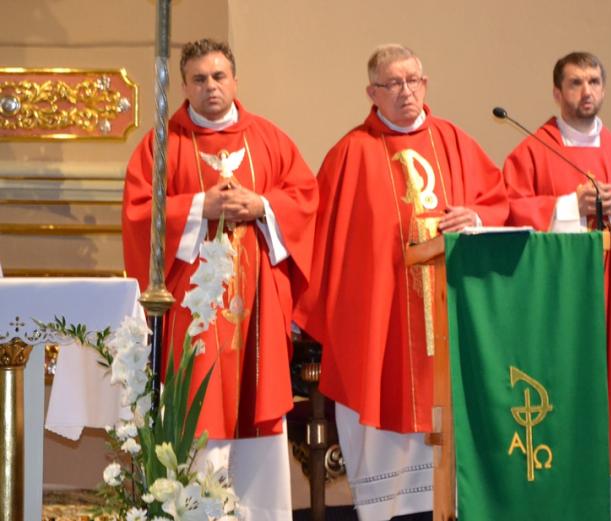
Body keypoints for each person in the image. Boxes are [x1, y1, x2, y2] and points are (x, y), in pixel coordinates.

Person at [294, 44, 509, 520]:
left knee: (449, 479)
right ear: (372, 93)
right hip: (382, 334)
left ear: (425, 84)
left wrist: (476, 216)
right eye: (392, 83)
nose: (406, 92)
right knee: (384, 481)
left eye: (413, 81)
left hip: (447, 326)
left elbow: (498, 200)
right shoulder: (350, 154)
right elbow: (318, 239)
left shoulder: (455, 142)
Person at [122, 38, 318, 521]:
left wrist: (263, 205)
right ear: (184, 86)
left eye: (219, 76)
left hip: (258, 310)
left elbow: (306, 200)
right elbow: (138, 214)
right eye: (199, 79)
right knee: (198, 404)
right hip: (193, 314)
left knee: (258, 407)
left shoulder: (269, 139)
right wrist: (198, 207)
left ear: (235, 80)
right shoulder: (161, 144)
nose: (210, 86)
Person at [502, 51, 611, 521]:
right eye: (575, 83)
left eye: (594, 81)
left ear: (604, 88)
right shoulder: (530, 152)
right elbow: (508, 211)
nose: (586, 92)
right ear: (557, 93)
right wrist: (568, 208)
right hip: (557, 315)